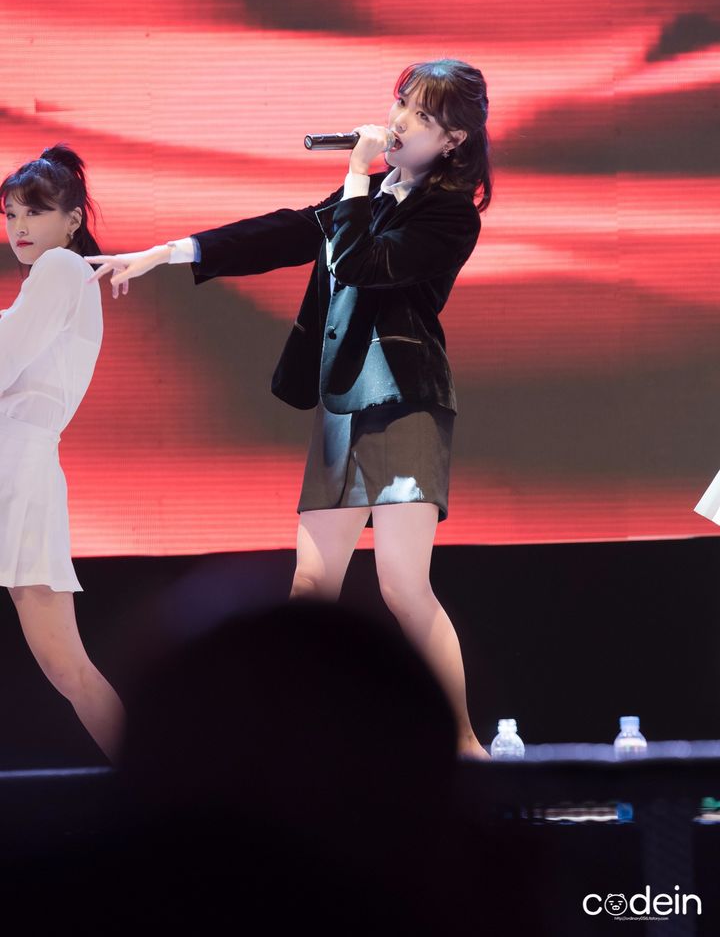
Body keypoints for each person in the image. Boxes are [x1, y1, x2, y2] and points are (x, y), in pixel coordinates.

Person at [86, 59, 492, 758]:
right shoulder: (370, 193)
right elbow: (284, 232)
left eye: (421, 117)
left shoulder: (449, 214)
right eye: (401, 104)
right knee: (310, 584)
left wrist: (358, 177)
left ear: (453, 140)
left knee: (402, 585)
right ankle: (291, 744)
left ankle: (463, 745)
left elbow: (361, 263)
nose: (399, 123)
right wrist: (166, 252)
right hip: (342, 401)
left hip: (403, 399)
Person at [0, 145, 124, 761]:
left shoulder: (60, 269)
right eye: (10, 215)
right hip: (17, 463)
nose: (19, 227)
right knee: (66, 666)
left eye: (35, 212)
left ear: (72, 219)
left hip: (17, 467)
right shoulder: (50, 280)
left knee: (65, 664)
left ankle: (161, 786)